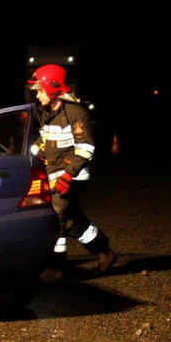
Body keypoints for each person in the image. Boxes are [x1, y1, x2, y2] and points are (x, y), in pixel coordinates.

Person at [28, 64, 116, 282]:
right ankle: (105, 252)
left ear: (53, 88)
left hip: (72, 177)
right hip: (54, 174)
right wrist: (33, 153)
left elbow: (86, 148)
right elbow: (45, 141)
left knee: (55, 215)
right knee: (72, 222)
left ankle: (56, 268)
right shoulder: (47, 113)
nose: (37, 95)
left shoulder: (75, 113)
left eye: (40, 90)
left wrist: (69, 174)